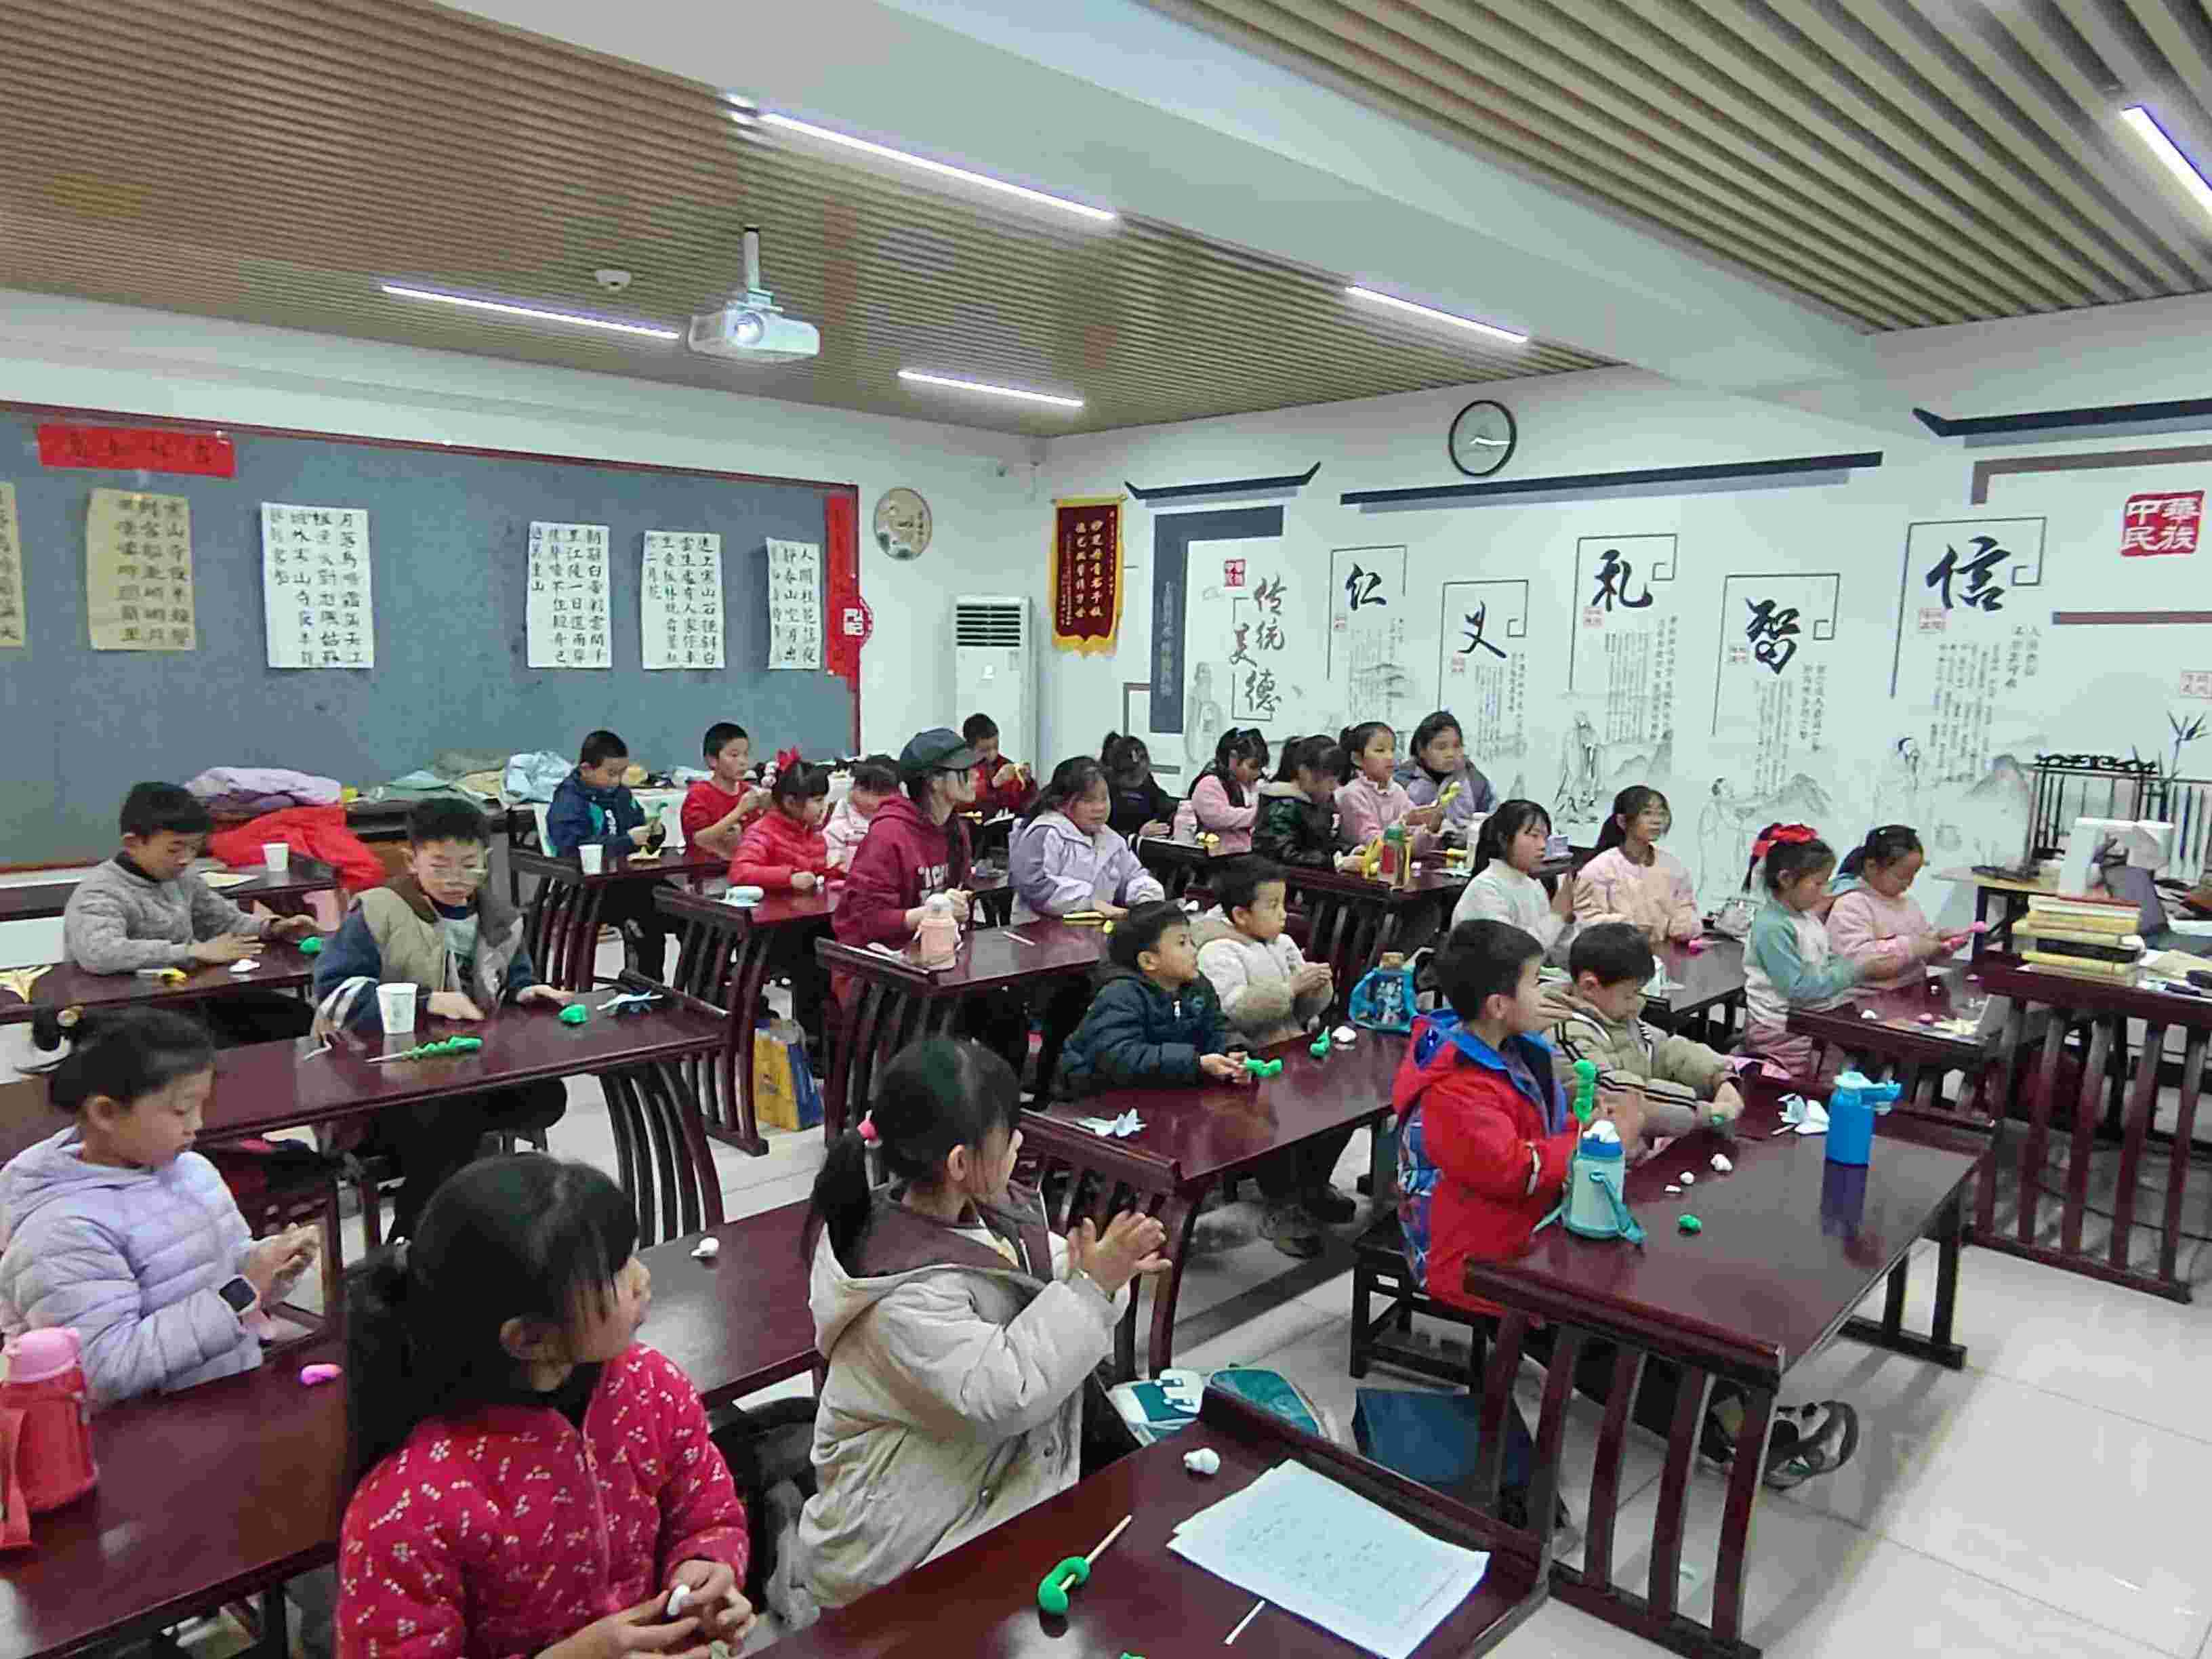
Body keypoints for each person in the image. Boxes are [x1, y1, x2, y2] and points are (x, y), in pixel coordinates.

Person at [1393, 920, 1857, 1494]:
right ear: (1497, 1005)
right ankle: (1745, 1441)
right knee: (1600, 1334)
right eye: (1537, 982)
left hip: (1526, 1222)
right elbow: (1515, 1169)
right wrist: (1600, 1137)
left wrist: (1593, 1130)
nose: (1550, 993)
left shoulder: (1512, 1049)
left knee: (1641, 1299)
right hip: (1473, 1256)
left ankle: (1742, 1414)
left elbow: (1545, 1136)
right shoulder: (1458, 1086)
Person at [779, 1040, 1165, 1624]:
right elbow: (1005, 1393)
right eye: (1009, 1134)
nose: (1020, 1144)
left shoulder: (980, 1212)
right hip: (898, 1551)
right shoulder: (904, 1299)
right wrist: (1092, 1287)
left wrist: (1102, 1272)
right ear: (961, 1164)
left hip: (971, 1493)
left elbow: (1047, 1276)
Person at [337, 1156, 754, 1659]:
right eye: (615, 1273)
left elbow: (707, 1512)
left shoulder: (650, 1386)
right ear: (529, 1338)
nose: (643, 1279)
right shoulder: (407, 1506)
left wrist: (705, 1566)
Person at [0, 1008, 319, 1405]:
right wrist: (245, 1291)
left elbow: (227, 1270)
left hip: (222, 1398)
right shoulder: (61, 1231)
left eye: (201, 1106)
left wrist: (272, 1267)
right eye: (181, 1110)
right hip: (141, 1431)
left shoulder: (191, 1170)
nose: (197, 1124)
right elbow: (101, 1370)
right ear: (105, 1113)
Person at [312, 798, 573, 1237]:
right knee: (450, 1116)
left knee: (546, 1095)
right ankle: (420, 1232)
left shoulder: (502, 919)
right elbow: (334, 995)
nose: (456, 879)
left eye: (469, 865)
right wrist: (427, 1001)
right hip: (382, 1082)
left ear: (486, 861)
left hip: (464, 1072)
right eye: (440, 866)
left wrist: (528, 992)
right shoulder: (376, 910)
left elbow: (512, 982)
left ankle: (453, 1218)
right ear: (411, 861)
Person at [58, 781, 317, 1046]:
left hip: (182, 995)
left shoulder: (182, 878)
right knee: (208, 1046)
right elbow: (100, 952)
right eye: (175, 849)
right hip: (123, 1011)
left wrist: (273, 928)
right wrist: (193, 952)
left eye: (194, 848)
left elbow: (224, 921)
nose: (186, 859)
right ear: (133, 843)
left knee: (298, 1017)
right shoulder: (101, 890)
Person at [1191, 859, 1348, 1255]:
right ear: (1240, 915)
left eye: (1284, 903)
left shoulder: (1281, 942)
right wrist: (1290, 988)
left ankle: (1313, 1185)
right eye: (1273, 905)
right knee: (1271, 1116)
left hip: (1292, 1049)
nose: (1283, 914)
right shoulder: (1217, 950)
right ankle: (1282, 1204)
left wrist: (1316, 988)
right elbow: (1231, 1012)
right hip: (1247, 1061)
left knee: (1345, 1104)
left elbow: (1302, 1011)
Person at [1548, 923, 1744, 1145]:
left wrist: (1719, 1076)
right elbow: (1616, 1093)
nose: (1636, 1004)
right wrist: (1704, 1111)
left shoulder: (1615, 1015)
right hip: (1602, 1156)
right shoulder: (1566, 1036)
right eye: (1629, 995)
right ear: (1590, 987)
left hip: (1637, 1146)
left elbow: (1665, 1049)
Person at [1059, 901, 1248, 1097]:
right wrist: (1194, 1063)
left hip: (1164, 1091)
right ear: (1148, 961)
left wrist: (1233, 1052)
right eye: (1182, 943)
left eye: (1191, 941)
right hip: (1098, 1097)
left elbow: (1217, 1027)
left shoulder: (1198, 987)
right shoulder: (1120, 994)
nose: (1194, 950)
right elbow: (1120, 1056)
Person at [1742, 824, 1868, 1081]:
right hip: (1779, 1029)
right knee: (1783, 1086)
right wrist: (1852, 972)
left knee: (1815, 1077)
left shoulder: (1805, 917)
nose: (1824, 891)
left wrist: (1844, 964)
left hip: (1807, 1020)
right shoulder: (1773, 927)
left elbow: (1820, 956)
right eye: (1818, 883)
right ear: (1786, 879)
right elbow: (1798, 988)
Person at [545, 729, 670, 980]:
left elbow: (639, 829)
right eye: (611, 773)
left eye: (621, 773)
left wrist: (655, 832)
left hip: (629, 881)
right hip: (588, 890)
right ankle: (643, 988)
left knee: (690, 911)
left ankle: (692, 991)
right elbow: (572, 850)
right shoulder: (569, 801)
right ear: (586, 769)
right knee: (645, 918)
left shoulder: (622, 795)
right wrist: (627, 842)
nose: (617, 781)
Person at [1008, 759, 1164, 926]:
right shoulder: (1046, 832)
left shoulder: (1111, 840)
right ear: (1060, 804)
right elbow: (1034, 885)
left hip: (1092, 933)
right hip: (1039, 932)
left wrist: (1148, 899)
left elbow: (1133, 876)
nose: (1100, 808)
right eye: (1089, 800)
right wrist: (1091, 902)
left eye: (1104, 798)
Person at [1828, 824, 1970, 991]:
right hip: (1868, 999)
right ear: (1872, 867)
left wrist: (1941, 943)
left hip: (1912, 992)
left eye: (1913, 876)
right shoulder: (1851, 905)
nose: (1908, 883)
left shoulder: (1908, 903)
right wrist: (1914, 948)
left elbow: (1924, 950)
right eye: (1901, 876)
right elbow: (1858, 963)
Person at [1450, 799, 1578, 965]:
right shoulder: (1486, 888)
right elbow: (1510, 959)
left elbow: (1558, 957)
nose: (1542, 846)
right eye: (1534, 836)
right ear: (1503, 839)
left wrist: (1566, 921)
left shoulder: (1534, 886)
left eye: (1545, 838)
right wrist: (1556, 916)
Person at [1576, 785, 1702, 946]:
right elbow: (1585, 921)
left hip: (1664, 953)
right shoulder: (1598, 869)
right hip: (1613, 954)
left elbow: (1687, 910)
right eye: (1647, 813)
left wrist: (1685, 925)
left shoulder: (1674, 868)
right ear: (1622, 821)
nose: (1657, 821)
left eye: (1661, 813)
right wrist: (1628, 927)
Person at [729, 758, 840, 895]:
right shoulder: (762, 832)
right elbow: (740, 872)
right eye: (818, 801)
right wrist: (790, 878)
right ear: (790, 803)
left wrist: (834, 873)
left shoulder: (814, 835)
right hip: (772, 908)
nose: (824, 807)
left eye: (824, 799)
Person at [1254, 735, 1358, 871]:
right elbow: (1285, 855)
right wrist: (1335, 863)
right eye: (1330, 781)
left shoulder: (1319, 802)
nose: (1334, 787)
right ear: (1305, 773)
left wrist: (1350, 851)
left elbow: (1323, 844)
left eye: (1336, 781)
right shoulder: (1282, 806)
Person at [1336, 722, 1444, 853]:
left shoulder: (1397, 790)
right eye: (1380, 751)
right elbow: (1372, 843)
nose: (1390, 757)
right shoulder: (1352, 794)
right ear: (1357, 759)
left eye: (1392, 750)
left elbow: (1412, 844)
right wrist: (1405, 822)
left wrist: (1430, 827)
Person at [1169, 727, 1278, 854]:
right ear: (1233, 757)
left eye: (1260, 768)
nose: (1257, 773)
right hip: (1217, 854)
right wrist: (1261, 814)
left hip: (1245, 851)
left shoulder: (1254, 784)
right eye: (1252, 767)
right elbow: (1219, 817)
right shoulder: (1209, 783)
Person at [1395, 711, 1497, 843]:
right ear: (1421, 750)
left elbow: (1493, 824)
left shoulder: (1475, 781)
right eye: (1441, 747)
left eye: (1457, 746)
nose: (1451, 754)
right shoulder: (1402, 782)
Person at [681, 720, 770, 859]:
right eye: (734, 755)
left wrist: (768, 811)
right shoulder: (699, 794)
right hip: (705, 869)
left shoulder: (748, 792)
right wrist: (739, 811)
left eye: (746, 754)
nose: (743, 762)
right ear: (712, 760)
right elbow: (699, 840)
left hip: (742, 865)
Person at [823, 755, 899, 872]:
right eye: (881, 794)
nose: (889, 800)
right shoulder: (838, 827)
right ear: (858, 791)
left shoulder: (895, 821)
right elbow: (833, 864)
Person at [1101, 732, 1177, 841]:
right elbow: (1099, 832)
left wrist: (1177, 813)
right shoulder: (1103, 787)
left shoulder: (1146, 782)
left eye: (1144, 774)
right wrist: (1136, 836)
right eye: (1133, 777)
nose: (1140, 780)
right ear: (1118, 772)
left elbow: (1161, 801)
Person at [963, 712, 1038, 817]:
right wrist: (992, 785)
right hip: (972, 824)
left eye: (996, 746)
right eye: (985, 750)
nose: (993, 754)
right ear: (970, 748)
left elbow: (1026, 806)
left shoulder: (1005, 765)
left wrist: (1027, 784)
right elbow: (961, 804)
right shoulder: (961, 769)